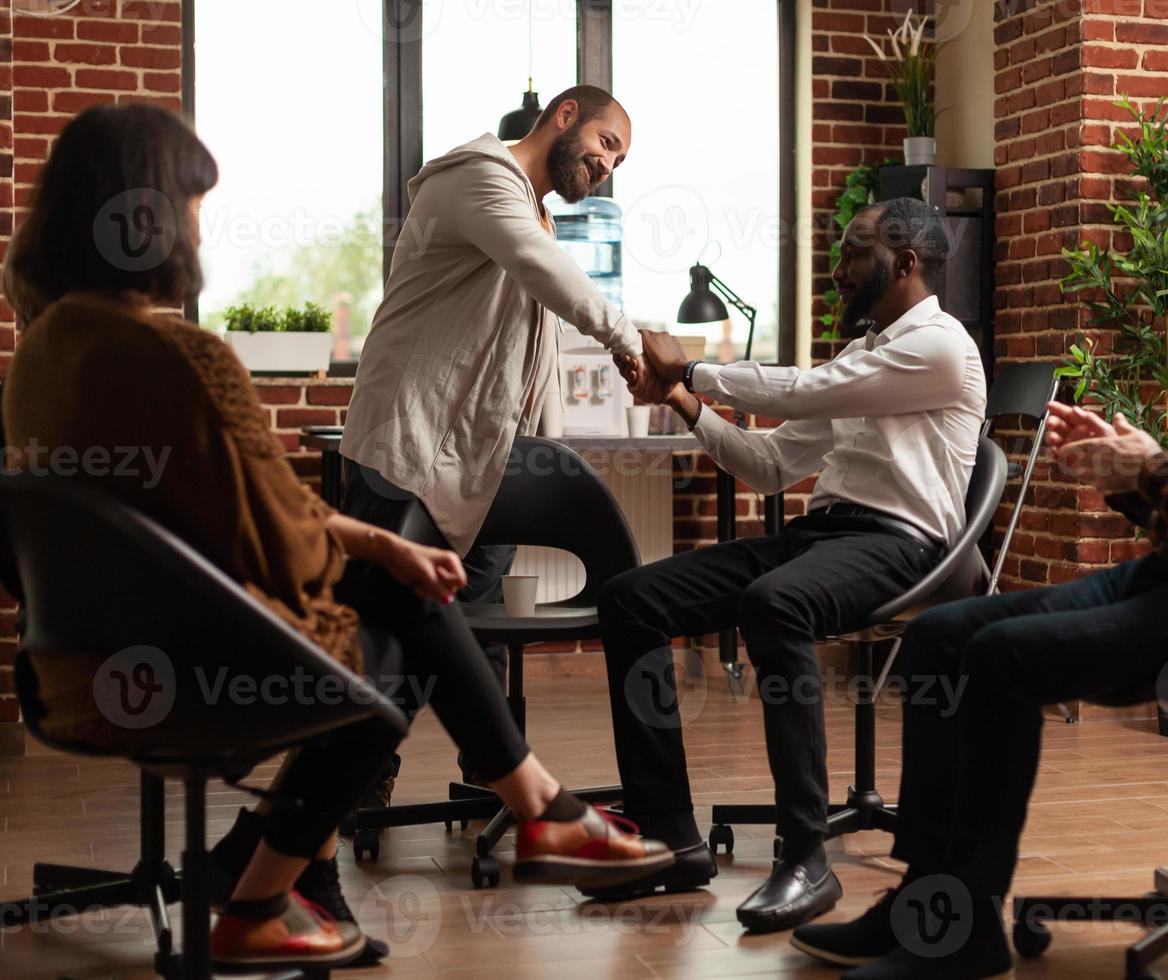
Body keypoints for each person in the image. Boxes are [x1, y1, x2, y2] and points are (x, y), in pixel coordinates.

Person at [0, 104, 670, 972]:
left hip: (77, 667)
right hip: (189, 668)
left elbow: (217, 513)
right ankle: (522, 812)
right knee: (394, 631)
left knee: (399, 595)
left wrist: (382, 546)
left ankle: (283, 883)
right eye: (195, 204)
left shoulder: (46, 353)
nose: (202, 226)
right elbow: (284, 546)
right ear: (144, 220)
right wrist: (377, 559)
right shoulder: (186, 362)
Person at [791, 138, 1168, 978]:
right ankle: (922, 906)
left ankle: (962, 934)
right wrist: (1134, 468)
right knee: (940, 635)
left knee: (1002, 659)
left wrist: (1148, 471)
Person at [596, 198, 988, 933]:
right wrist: (682, 399)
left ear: (905, 262)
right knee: (629, 600)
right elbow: (772, 465)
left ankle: (807, 857)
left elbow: (811, 390)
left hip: (904, 544)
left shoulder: (941, 347)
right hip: (823, 537)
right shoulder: (859, 354)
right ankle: (669, 837)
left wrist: (694, 368)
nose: (838, 269)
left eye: (853, 251)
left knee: (776, 603)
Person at [339, 83, 640, 797]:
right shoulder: (480, 178)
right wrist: (630, 341)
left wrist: (545, 457)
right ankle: (344, 788)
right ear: (564, 116)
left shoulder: (534, 214)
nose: (607, 166)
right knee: (386, 638)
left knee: (460, 632)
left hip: (485, 464)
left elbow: (535, 359)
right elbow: (546, 275)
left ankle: (483, 773)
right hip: (408, 447)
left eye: (618, 159)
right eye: (605, 144)